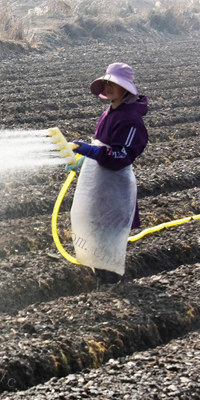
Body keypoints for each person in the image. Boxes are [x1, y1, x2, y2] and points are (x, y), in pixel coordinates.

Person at [67, 62, 148, 285]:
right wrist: (85, 159)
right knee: (96, 230)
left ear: (126, 89)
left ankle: (113, 283)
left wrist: (92, 151)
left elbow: (121, 156)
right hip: (99, 183)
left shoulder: (130, 120)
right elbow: (104, 146)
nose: (109, 86)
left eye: (114, 83)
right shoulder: (110, 112)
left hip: (115, 187)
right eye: (107, 82)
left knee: (109, 236)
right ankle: (100, 279)